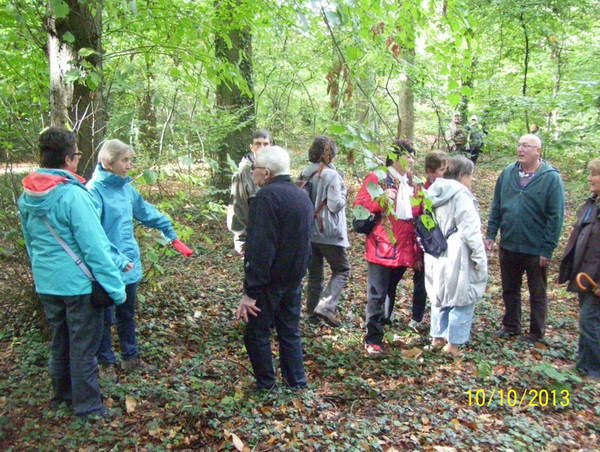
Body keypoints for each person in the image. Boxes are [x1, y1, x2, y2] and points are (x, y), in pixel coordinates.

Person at [18, 127, 126, 418]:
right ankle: (88, 407)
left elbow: (31, 244)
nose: (78, 160)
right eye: (77, 155)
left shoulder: (27, 196)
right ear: (68, 160)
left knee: (60, 342)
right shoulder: (73, 197)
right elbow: (95, 248)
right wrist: (117, 289)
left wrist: (44, 273)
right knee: (82, 347)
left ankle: (62, 398)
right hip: (78, 286)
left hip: (47, 283)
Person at [87, 139, 193, 381]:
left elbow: (145, 212)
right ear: (108, 162)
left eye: (130, 160)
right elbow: (92, 234)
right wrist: (115, 258)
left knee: (127, 314)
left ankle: (130, 358)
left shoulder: (125, 189)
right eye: (125, 161)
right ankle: (105, 364)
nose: (129, 166)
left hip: (130, 264)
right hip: (106, 267)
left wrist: (170, 232)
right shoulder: (93, 191)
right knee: (105, 317)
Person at [236, 146, 314, 390]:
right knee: (289, 332)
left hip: (271, 283)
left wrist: (250, 292)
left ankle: (266, 385)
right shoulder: (301, 196)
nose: (252, 173)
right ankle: (296, 384)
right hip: (292, 279)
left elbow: (260, 249)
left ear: (267, 173)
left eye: (255, 168)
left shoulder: (265, 199)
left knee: (255, 333)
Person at [485, 134, 565, 343]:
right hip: (509, 244)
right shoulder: (508, 174)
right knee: (509, 289)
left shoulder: (551, 178)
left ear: (538, 151)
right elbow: (497, 206)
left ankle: (536, 334)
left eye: (527, 146)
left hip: (535, 248)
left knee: (537, 292)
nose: (521, 149)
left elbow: (556, 217)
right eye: (519, 145)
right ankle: (511, 326)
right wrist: (491, 234)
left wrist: (547, 249)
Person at [353, 140, 421, 355]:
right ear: (396, 158)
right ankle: (372, 339)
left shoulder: (411, 182)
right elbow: (359, 207)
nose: (411, 159)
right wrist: (380, 200)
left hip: (403, 246)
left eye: (413, 155)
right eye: (408, 155)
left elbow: (418, 213)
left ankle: (383, 327)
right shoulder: (378, 178)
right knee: (377, 294)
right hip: (382, 245)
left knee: (390, 291)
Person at [424, 156, 488, 356]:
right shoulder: (461, 194)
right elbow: (470, 229)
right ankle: (453, 345)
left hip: (436, 247)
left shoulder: (432, 191)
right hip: (457, 249)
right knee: (462, 295)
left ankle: (437, 337)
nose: (472, 181)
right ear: (461, 175)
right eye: (470, 176)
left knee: (439, 293)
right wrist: (479, 256)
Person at [297, 136, 350, 327]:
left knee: (315, 276)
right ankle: (326, 306)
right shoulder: (332, 175)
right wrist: (344, 194)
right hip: (328, 232)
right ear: (331, 154)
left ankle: (312, 318)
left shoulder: (303, 173)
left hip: (309, 233)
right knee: (342, 269)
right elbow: (335, 205)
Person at [559, 158, 600, 382]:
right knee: (587, 321)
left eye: (594, 175)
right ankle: (584, 363)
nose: (589, 178)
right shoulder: (592, 203)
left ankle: (594, 371)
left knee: (590, 321)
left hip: (596, 279)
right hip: (586, 275)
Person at [407, 150, 450, 330]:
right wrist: (416, 254)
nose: (445, 174)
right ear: (431, 171)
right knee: (421, 283)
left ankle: (440, 320)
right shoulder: (420, 189)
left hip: (444, 243)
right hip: (425, 244)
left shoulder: (449, 187)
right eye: (442, 170)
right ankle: (416, 317)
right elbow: (416, 223)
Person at [227, 130, 272, 255]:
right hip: (253, 241)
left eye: (265, 144)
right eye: (258, 144)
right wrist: (241, 243)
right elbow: (237, 208)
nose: (262, 148)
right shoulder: (243, 173)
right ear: (252, 148)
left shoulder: (274, 169)